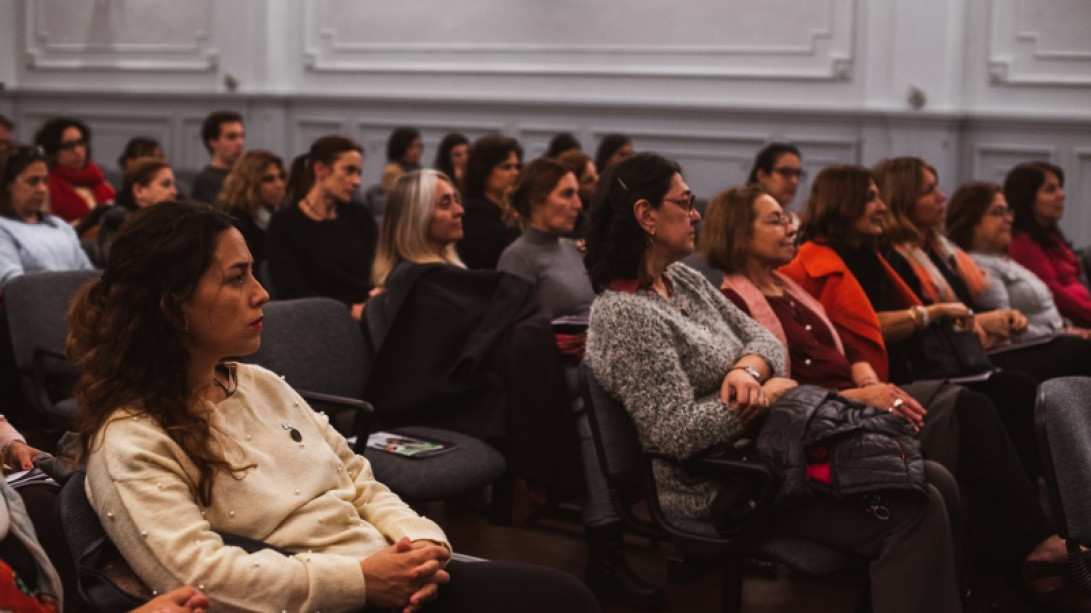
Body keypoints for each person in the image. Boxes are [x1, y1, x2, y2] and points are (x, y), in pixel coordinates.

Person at [68, 200, 598, 613]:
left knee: (560, 595)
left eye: (253, 272)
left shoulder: (257, 383)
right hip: (326, 599)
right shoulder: (132, 436)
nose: (261, 293)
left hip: (386, 573)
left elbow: (358, 479)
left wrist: (421, 544)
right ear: (172, 306)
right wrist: (361, 582)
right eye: (236, 277)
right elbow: (197, 576)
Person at [585, 153, 961, 613]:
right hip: (722, 484)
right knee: (917, 509)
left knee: (935, 477)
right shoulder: (624, 315)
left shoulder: (681, 279)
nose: (696, 214)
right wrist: (764, 396)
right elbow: (676, 433)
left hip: (770, 454)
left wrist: (746, 372)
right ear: (645, 215)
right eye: (684, 203)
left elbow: (765, 341)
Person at [703, 185, 1068, 597]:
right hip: (824, 422)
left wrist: (869, 383)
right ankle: (1019, 555)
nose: (791, 228)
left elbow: (849, 347)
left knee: (982, 402)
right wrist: (862, 398)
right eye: (776, 220)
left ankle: (1010, 558)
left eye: (788, 219)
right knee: (968, 411)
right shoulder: (733, 302)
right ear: (739, 233)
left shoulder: (787, 287)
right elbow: (780, 399)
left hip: (858, 399)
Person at [779, 165, 1044, 479]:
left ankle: (1039, 496)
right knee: (985, 401)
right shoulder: (813, 265)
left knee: (1013, 388)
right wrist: (933, 313)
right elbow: (858, 333)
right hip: (882, 379)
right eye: (871, 198)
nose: (882, 207)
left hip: (907, 369)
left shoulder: (873, 255)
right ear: (844, 202)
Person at [497, 158, 662, 608]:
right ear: (537, 200)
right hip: (554, 375)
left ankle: (620, 546)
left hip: (594, 364)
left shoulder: (573, 249)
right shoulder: (518, 256)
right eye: (566, 194)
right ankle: (609, 554)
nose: (577, 203)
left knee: (599, 414)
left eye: (577, 193)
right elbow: (517, 339)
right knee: (594, 405)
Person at [369, 170, 581, 512]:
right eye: (445, 204)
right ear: (416, 217)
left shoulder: (444, 274)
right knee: (534, 346)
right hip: (438, 399)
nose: (460, 210)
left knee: (531, 342)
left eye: (457, 200)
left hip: (466, 381)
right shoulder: (418, 280)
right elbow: (442, 355)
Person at [873, 156, 1091, 383]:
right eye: (929, 191)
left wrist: (1007, 318)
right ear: (903, 200)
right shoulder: (895, 257)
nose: (941, 196)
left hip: (975, 346)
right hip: (947, 359)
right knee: (1070, 353)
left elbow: (970, 307)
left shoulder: (939, 251)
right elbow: (928, 323)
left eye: (1007, 211)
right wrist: (989, 320)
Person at [946, 181, 1091, 339]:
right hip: (1037, 346)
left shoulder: (1001, 258)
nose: (1008, 218)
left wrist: (1069, 329)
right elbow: (1004, 327)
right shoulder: (977, 264)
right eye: (997, 212)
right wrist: (1062, 335)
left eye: (1008, 211)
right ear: (970, 220)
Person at [267, 135, 378, 319]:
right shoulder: (285, 223)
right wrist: (349, 309)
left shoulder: (359, 214)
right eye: (349, 171)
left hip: (369, 311)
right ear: (320, 170)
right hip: (322, 318)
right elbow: (293, 291)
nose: (357, 181)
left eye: (359, 173)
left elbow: (378, 267)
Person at [1004, 161, 1091, 327]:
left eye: (1059, 188)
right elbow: (1055, 296)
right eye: (1050, 190)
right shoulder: (1022, 243)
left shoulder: (1049, 235)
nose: (1061, 195)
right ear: (1027, 198)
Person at [0, 145, 93, 289]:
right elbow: (15, 286)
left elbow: (89, 276)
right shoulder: (3, 228)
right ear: (9, 184)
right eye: (33, 181)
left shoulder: (61, 225)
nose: (42, 189)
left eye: (45, 181)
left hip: (75, 301)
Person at [91, 157, 178, 266]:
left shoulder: (174, 223)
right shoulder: (117, 221)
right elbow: (120, 266)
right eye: (166, 184)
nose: (174, 191)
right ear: (139, 190)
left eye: (174, 185)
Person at [457, 135, 522, 269]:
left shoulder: (509, 207)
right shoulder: (473, 213)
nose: (515, 173)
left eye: (517, 167)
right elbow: (499, 256)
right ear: (484, 171)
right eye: (506, 167)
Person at [33, 117, 115, 222]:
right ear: (53, 152)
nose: (77, 151)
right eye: (68, 146)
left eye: (81, 143)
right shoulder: (45, 186)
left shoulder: (100, 181)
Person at [218, 150, 286, 269]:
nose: (279, 185)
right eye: (269, 179)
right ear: (249, 183)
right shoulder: (233, 221)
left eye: (281, 177)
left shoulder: (280, 214)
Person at [191, 110, 245, 204]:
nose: (239, 142)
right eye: (231, 137)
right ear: (213, 142)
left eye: (241, 136)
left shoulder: (246, 176)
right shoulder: (205, 181)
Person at [747, 143, 805, 223]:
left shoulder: (794, 220)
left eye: (797, 173)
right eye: (786, 172)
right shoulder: (743, 217)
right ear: (762, 175)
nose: (794, 181)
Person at [380, 127, 423, 194]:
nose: (416, 151)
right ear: (400, 147)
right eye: (411, 147)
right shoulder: (393, 172)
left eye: (418, 147)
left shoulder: (418, 169)